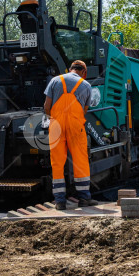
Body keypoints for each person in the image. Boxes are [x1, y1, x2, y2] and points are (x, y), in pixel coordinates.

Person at [43, 60, 99, 210]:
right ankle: (84, 200)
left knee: (57, 162)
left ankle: (60, 202)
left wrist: (55, 119)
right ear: (84, 73)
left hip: (56, 127)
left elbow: (46, 106)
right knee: (80, 161)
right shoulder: (86, 85)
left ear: (69, 69)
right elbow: (84, 110)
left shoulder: (55, 81)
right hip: (76, 127)